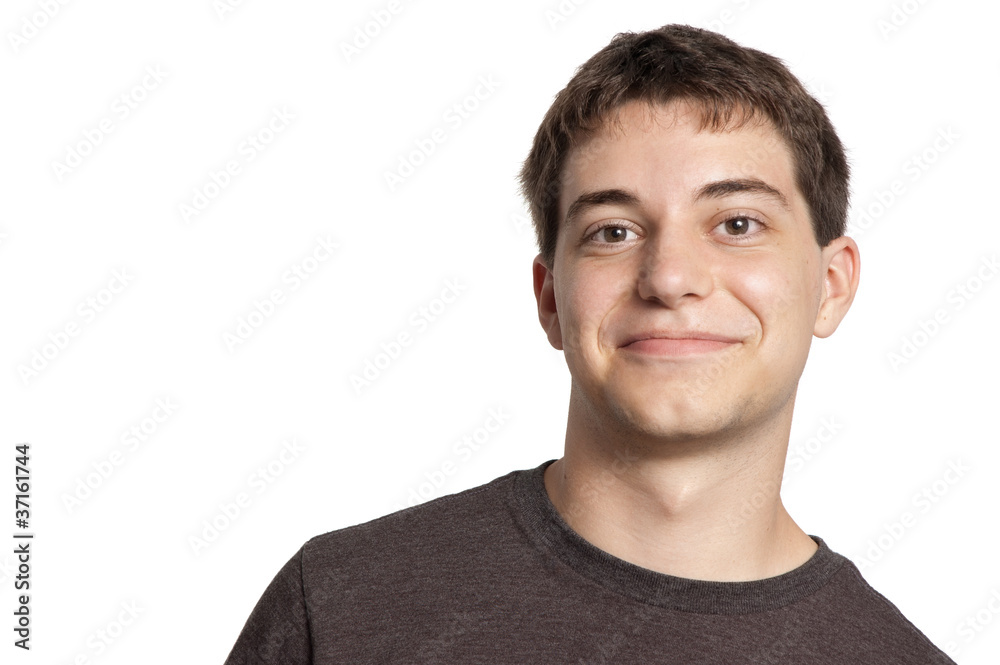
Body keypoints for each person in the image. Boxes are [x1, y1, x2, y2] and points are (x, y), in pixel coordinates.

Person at [223, 24, 955, 663]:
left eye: (738, 224)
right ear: (550, 298)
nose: (669, 277)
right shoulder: (344, 607)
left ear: (831, 284)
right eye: (613, 232)